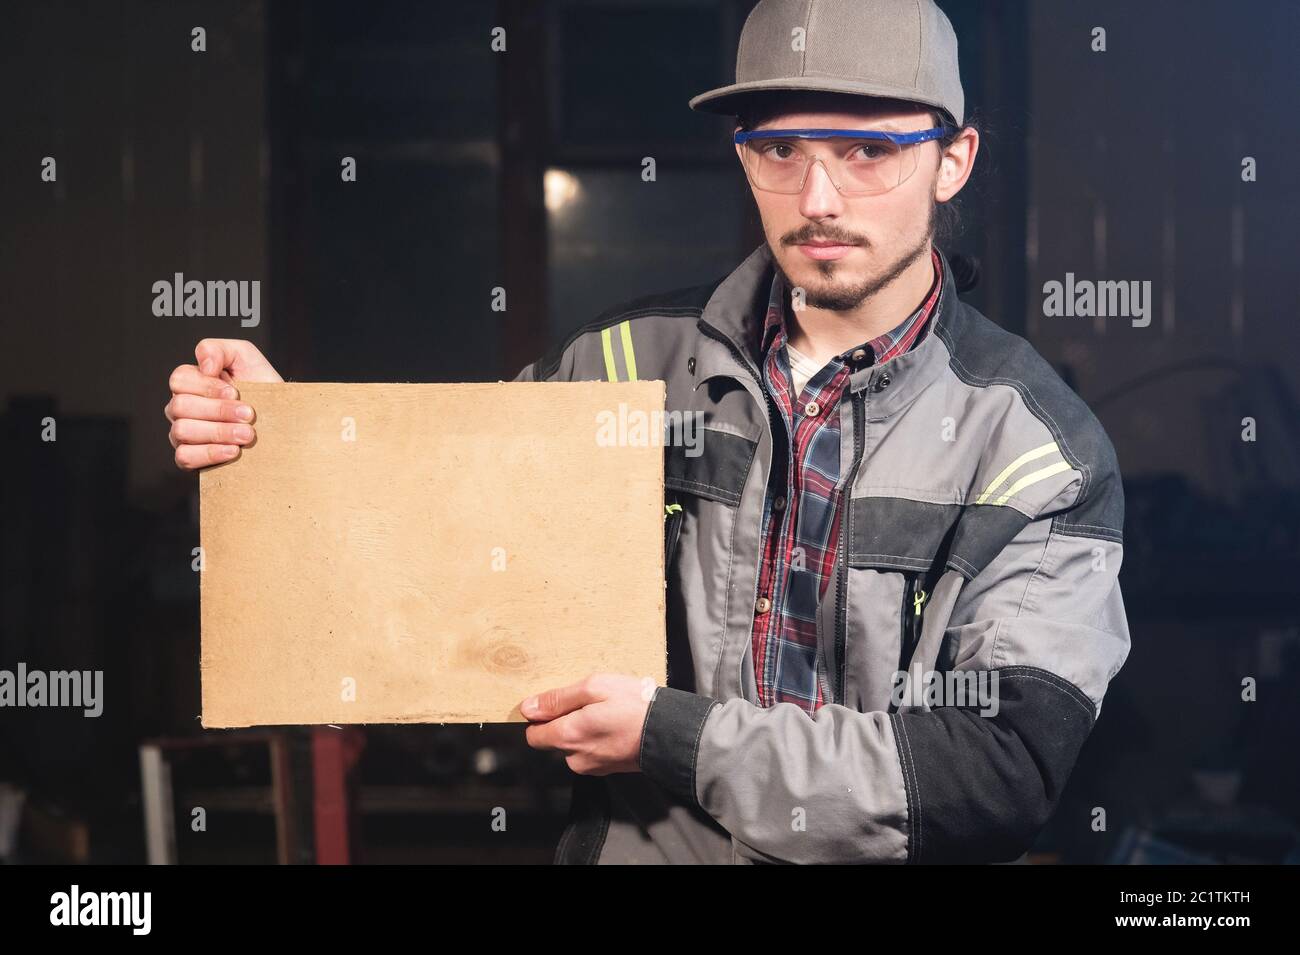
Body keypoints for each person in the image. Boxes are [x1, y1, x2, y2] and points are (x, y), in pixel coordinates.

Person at [166, 0, 1130, 864]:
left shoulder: (1032, 447)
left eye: (868, 151)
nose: (819, 200)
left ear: (953, 161)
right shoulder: (623, 366)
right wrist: (278, 434)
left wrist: (673, 736)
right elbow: (439, 536)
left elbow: (994, 773)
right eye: (780, 150)